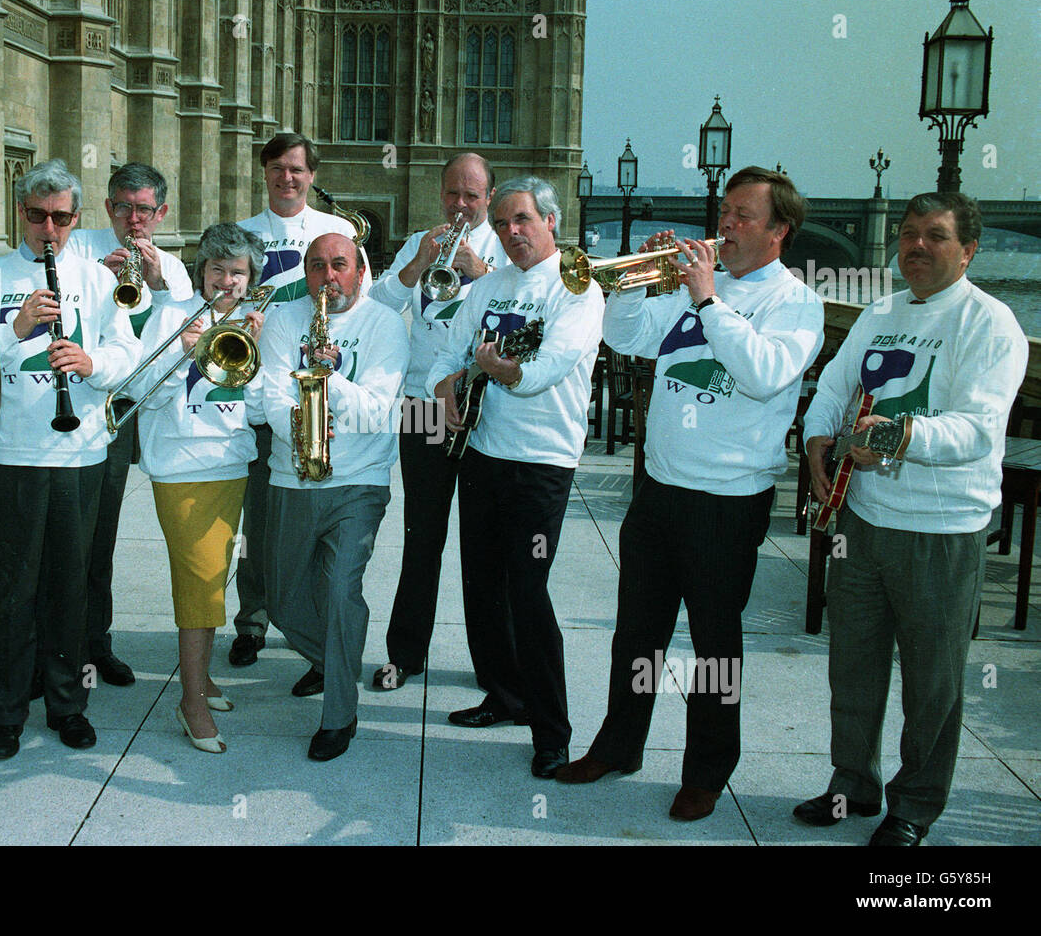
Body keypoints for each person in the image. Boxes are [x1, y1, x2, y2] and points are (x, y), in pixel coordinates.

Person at [558, 167, 824, 820]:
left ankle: (707, 768)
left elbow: (764, 374)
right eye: (725, 211)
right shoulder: (691, 287)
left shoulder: (794, 302)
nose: (725, 225)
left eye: (742, 215)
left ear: (779, 231)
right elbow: (626, 335)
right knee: (637, 632)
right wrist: (630, 278)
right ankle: (618, 745)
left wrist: (708, 300)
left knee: (713, 642)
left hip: (727, 498)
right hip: (659, 488)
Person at [795, 192, 1026, 846]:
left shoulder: (991, 324)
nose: (916, 246)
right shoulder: (880, 313)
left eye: (935, 235)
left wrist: (897, 436)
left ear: (969, 249)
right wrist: (816, 436)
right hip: (863, 522)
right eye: (907, 234)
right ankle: (852, 784)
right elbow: (836, 385)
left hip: (942, 530)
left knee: (933, 680)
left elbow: (978, 429)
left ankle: (916, 805)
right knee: (854, 664)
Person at [427, 176, 605, 779]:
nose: (512, 232)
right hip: (482, 450)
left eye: (523, 220)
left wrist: (500, 368)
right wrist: (446, 385)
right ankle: (503, 697)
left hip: (542, 461)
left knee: (528, 594)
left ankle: (551, 729)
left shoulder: (577, 287)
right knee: (481, 583)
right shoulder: (489, 286)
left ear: (551, 221)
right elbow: (448, 351)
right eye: (502, 223)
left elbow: (551, 365)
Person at [0, 159, 140, 758]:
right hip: (14, 452)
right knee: (16, 586)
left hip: (82, 451)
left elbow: (126, 351)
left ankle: (68, 704)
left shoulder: (95, 277)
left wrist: (94, 366)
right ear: (21, 212)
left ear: (75, 220)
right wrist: (15, 329)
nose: (49, 229)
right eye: (38, 216)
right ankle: (7, 711)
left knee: (70, 585)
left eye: (61, 219)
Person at [258, 233, 408, 760]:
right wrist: (299, 428)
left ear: (360, 272)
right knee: (279, 600)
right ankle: (330, 659)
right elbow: (268, 393)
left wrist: (329, 376)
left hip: (359, 482)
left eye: (338, 265)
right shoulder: (283, 318)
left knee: (343, 591)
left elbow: (374, 411)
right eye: (317, 266)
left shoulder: (384, 324)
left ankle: (339, 714)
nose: (328, 277)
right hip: (292, 474)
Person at [367, 152, 510, 692]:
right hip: (422, 407)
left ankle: (493, 665)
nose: (461, 205)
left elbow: (529, 302)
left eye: (472, 196)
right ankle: (405, 654)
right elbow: (378, 303)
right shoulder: (421, 240)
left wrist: (482, 273)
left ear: (488, 198)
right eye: (453, 193)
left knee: (484, 545)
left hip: (484, 408)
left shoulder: (504, 248)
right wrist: (416, 265)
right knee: (421, 535)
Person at [230, 133, 370, 676]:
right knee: (260, 523)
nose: (286, 178)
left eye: (297, 169)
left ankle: (314, 640)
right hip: (264, 393)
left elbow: (360, 312)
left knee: (317, 529)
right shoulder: (243, 234)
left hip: (321, 399)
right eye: (277, 168)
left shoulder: (336, 235)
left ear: (312, 175)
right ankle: (252, 620)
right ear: (264, 172)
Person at [126, 223, 268, 753]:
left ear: (250, 278)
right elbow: (140, 393)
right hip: (181, 469)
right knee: (200, 583)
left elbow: (253, 412)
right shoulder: (170, 314)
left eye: (237, 272)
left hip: (228, 466)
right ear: (201, 271)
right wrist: (176, 355)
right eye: (217, 269)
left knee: (214, 577)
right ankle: (189, 702)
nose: (226, 280)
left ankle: (202, 680)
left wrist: (254, 355)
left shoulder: (252, 322)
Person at [69, 162, 193, 687]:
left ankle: (95, 646)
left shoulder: (174, 267)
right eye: (123, 207)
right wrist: (101, 270)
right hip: (82, 412)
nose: (133, 220)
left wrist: (160, 282)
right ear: (108, 207)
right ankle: (57, 648)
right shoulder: (79, 250)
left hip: (139, 410)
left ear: (161, 213)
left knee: (101, 540)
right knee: (69, 540)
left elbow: (187, 329)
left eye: (144, 210)